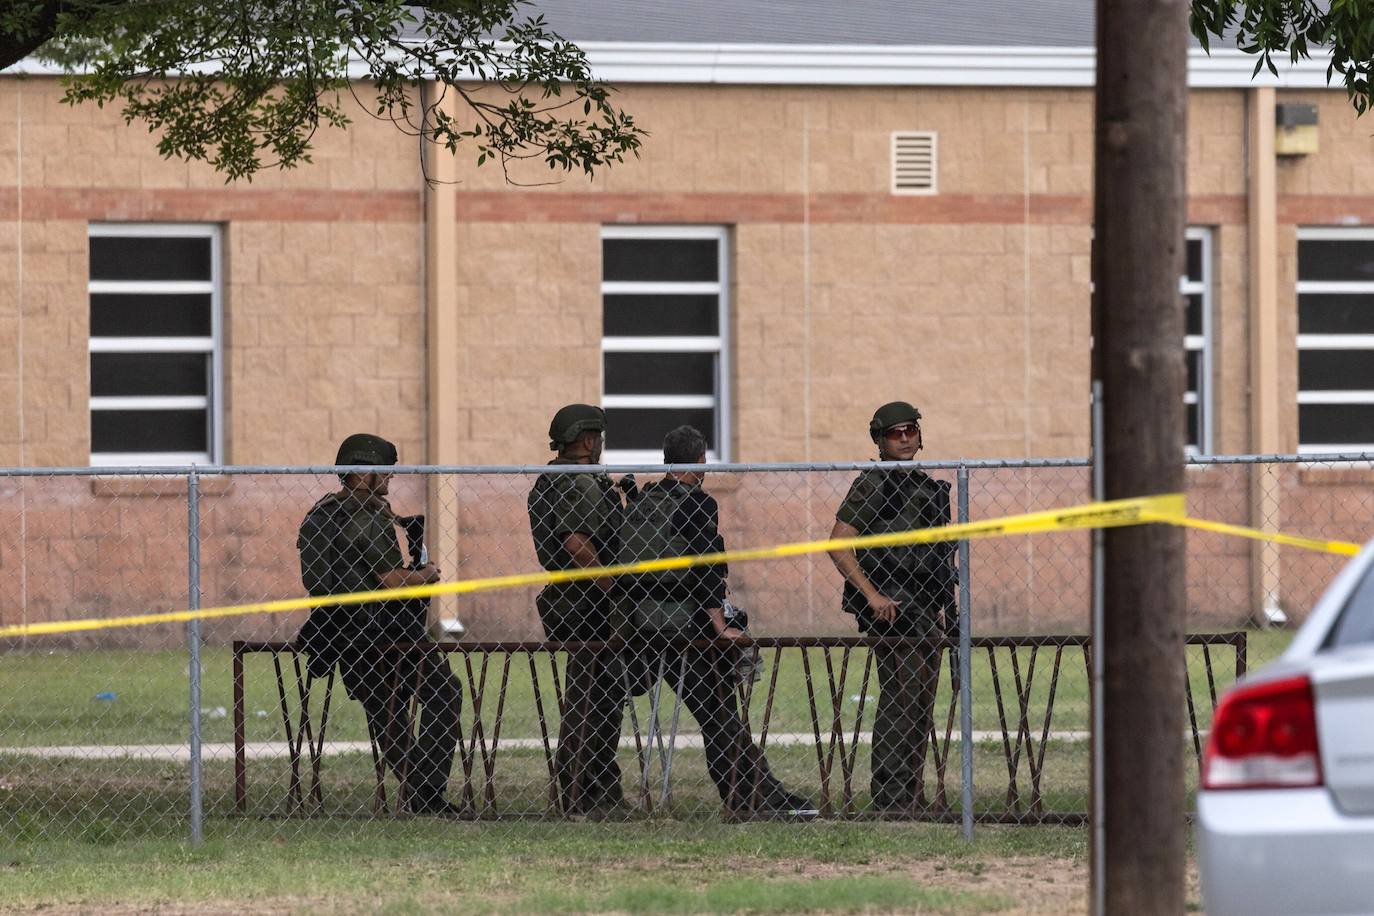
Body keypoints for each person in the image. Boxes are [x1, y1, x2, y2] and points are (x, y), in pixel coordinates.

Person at [618, 424, 818, 819]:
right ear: (699, 461)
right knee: (720, 716)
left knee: (717, 716)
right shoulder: (696, 503)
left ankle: (752, 794)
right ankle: (754, 797)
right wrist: (720, 625)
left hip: (640, 628)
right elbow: (705, 570)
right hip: (685, 631)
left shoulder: (643, 502)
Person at [296, 433, 463, 817]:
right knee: (445, 693)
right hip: (385, 632)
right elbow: (390, 579)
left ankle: (419, 791)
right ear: (364, 472)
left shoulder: (318, 515)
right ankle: (428, 792)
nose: (389, 479)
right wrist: (424, 575)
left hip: (336, 632)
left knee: (384, 710)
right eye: (383, 471)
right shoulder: (368, 517)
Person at [827, 402, 956, 816]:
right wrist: (871, 595)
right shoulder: (876, 483)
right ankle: (890, 795)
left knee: (919, 702)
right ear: (879, 440)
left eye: (910, 431)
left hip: (921, 606)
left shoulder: (922, 485)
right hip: (891, 607)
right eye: (894, 433)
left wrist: (938, 606)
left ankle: (910, 793)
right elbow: (839, 542)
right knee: (901, 699)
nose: (904, 439)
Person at [527, 404, 630, 814]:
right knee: (595, 700)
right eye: (599, 438)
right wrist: (614, 588)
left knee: (594, 696)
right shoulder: (579, 482)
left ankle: (590, 789)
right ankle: (585, 792)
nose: (601, 445)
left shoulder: (557, 478)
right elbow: (576, 544)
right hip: (588, 603)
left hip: (576, 600)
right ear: (587, 440)